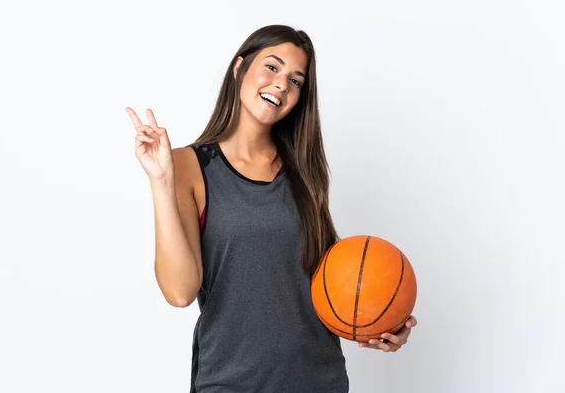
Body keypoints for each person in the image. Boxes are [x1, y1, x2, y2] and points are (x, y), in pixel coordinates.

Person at [126, 24, 417, 393]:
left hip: (319, 381)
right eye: (273, 67)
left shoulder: (305, 171)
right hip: (231, 382)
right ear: (239, 68)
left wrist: (381, 321)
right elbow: (180, 292)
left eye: (296, 81)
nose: (282, 84)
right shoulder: (188, 166)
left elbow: (332, 280)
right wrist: (161, 181)